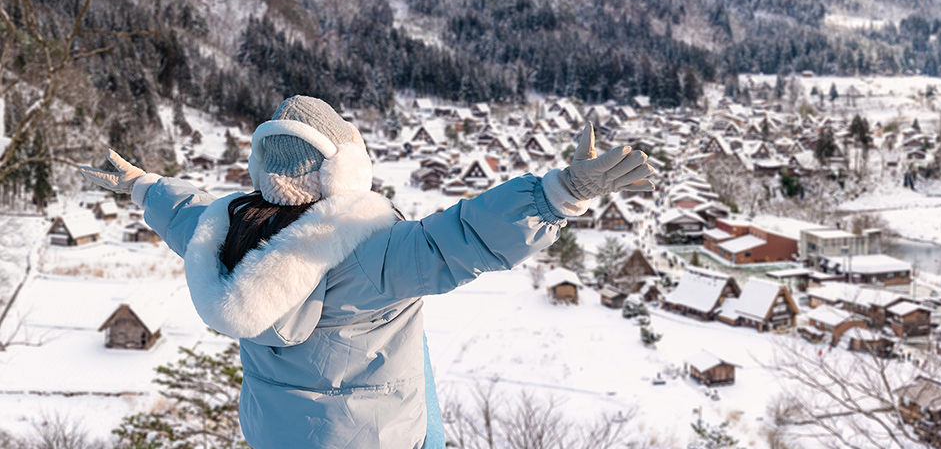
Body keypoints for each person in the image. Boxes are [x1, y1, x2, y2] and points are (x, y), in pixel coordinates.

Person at [79, 95, 653, 449]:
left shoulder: (226, 231)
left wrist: (142, 187)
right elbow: (466, 236)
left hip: (274, 433)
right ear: (344, 169)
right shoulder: (371, 250)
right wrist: (558, 193)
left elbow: (186, 215)